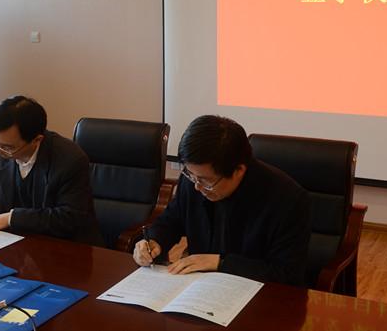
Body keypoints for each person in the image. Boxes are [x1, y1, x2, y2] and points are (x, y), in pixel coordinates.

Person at [133, 115, 311, 286]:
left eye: (206, 181)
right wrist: (154, 241)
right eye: (190, 175)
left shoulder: (288, 199)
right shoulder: (194, 179)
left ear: (239, 170)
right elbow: (172, 221)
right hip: (199, 288)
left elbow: (286, 273)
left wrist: (220, 262)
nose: (197, 187)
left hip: (256, 295)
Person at [0, 95, 101, 244]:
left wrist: (10, 218)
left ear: (36, 140)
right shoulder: (0, 147)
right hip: (9, 243)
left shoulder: (70, 159)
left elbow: (69, 218)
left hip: (61, 247)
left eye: (8, 147)